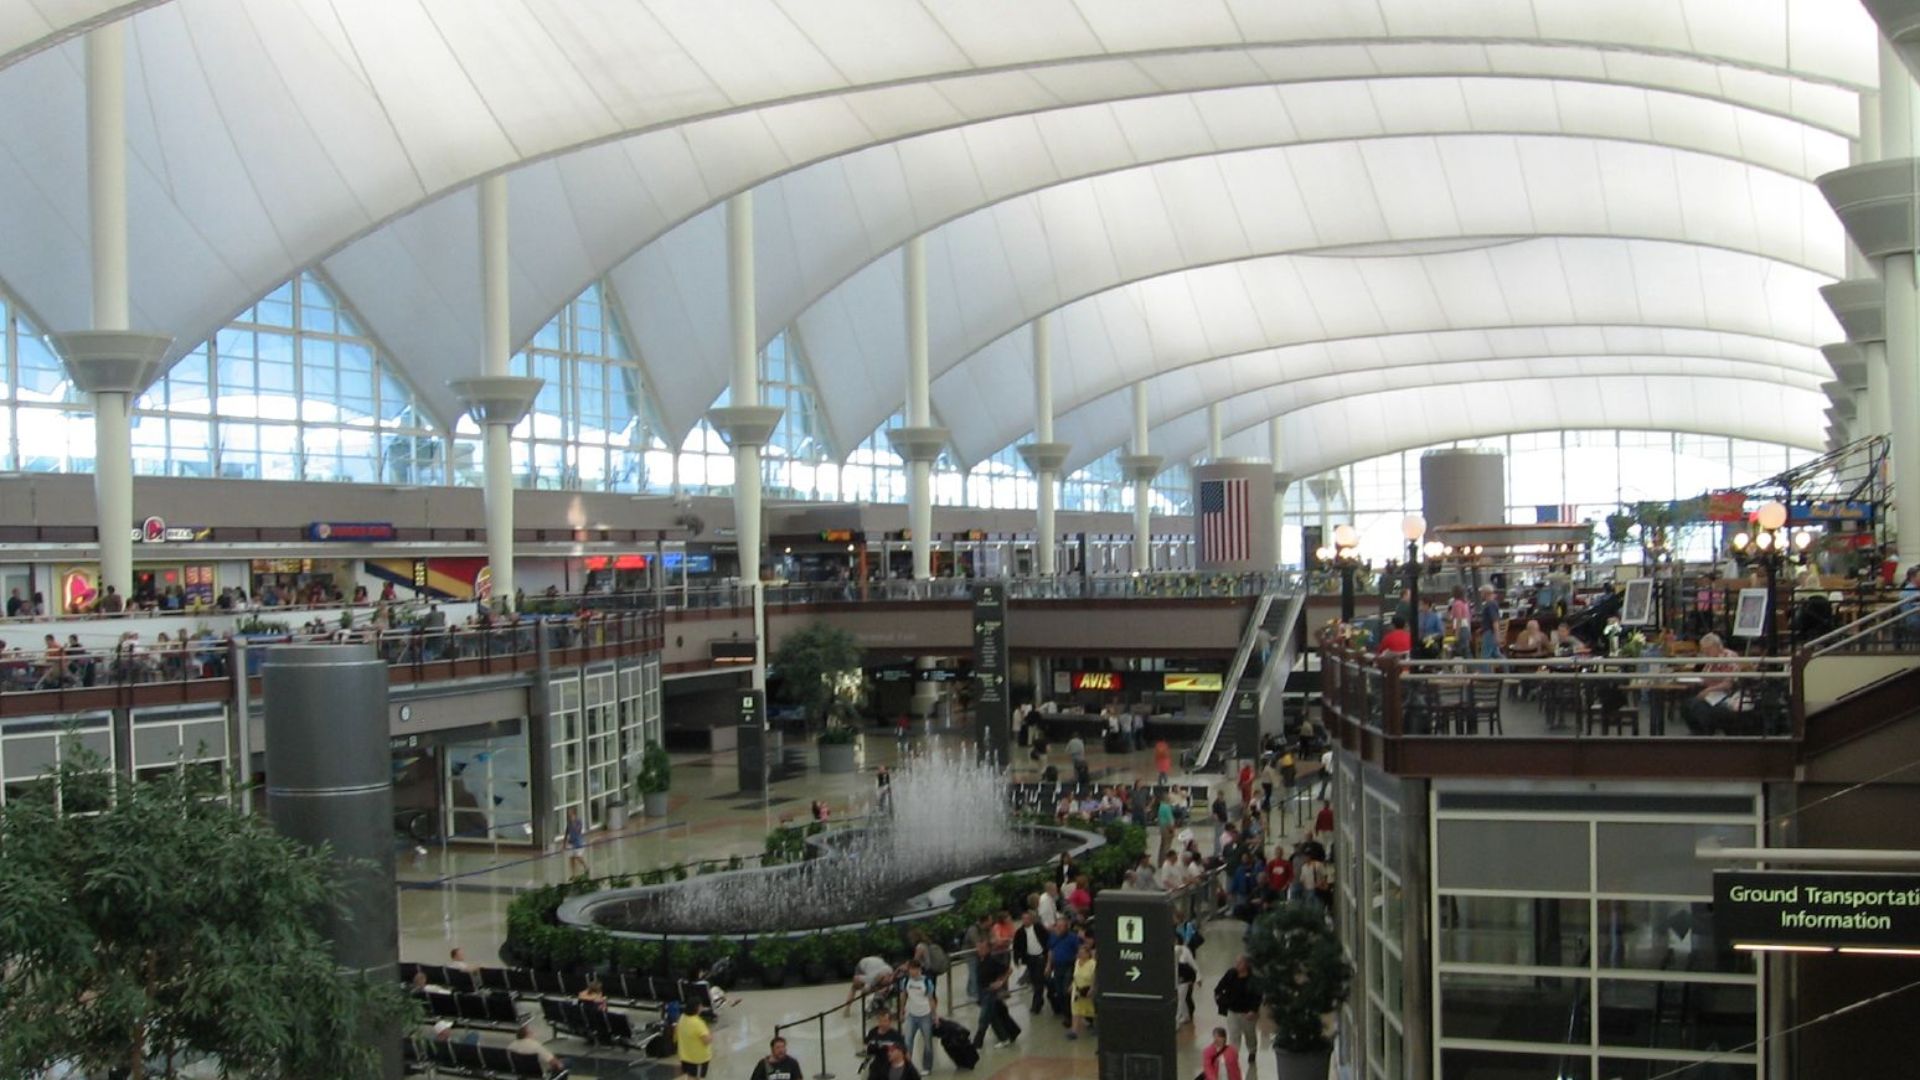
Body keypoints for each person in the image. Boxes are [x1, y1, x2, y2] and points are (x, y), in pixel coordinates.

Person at [969, 938, 1022, 1050]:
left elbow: (1009, 970)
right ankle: (1009, 1034)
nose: (979, 950)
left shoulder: (992, 961)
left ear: (988, 949)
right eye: (978, 947)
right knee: (993, 1016)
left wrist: (1001, 982)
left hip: (990, 993)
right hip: (983, 993)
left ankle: (979, 1042)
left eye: (982, 948)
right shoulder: (980, 961)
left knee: (985, 1018)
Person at [1214, 956, 1262, 1076]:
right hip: (1233, 1011)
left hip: (1247, 1013)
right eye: (1236, 962)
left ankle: (1252, 1051)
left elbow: (1258, 996)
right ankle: (1233, 1056)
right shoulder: (1231, 974)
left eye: (1240, 962)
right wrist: (1220, 999)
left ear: (1246, 964)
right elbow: (1220, 987)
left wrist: (1253, 1010)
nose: (1237, 964)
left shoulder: (1253, 979)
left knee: (1249, 1034)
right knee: (1234, 1035)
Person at [898, 958, 938, 1073]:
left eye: (915, 969)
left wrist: (934, 1015)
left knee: (927, 1043)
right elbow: (903, 996)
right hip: (911, 1015)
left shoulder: (926, 982)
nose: (912, 972)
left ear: (919, 969)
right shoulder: (906, 981)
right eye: (910, 969)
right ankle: (907, 1067)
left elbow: (931, 999)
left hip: (925, 1015)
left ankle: (927, 1067)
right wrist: (901, 1011)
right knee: (907, 1042)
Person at [1044, 917, 1081, 1020]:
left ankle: (1069, 1015)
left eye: (1061, 926)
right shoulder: (1053, 937)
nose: (1059, 928)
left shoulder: (1073, 938)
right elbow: (1051, 951)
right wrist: (1048, 965)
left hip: (1069, 966)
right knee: (1058, 990)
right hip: (1057, 966)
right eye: (1058, 926)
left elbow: (1078, 951)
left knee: (1066, 991)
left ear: (1066, 927)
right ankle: (1064, 1011)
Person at [1015, 911, 1050, 1014]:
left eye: (1027, 918)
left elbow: (1047, 939)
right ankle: (1040, 1000)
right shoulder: (1020, 932)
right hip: (1030, 958)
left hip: (1041, 957)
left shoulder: (1039, 928)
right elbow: (1016, 946)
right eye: (1024, 919)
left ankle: (1036, 1005)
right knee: (1034, 980)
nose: (1025, 921)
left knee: (1039, 980)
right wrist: (1017, 959)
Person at [863, 1012, 909, 1080]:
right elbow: (866, 1045)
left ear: (890, 1022)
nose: (882, 1024)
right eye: (880, 1021)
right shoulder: (873, 1032)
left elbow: (905, 1052)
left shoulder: (895, 1035)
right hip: (876, 1066)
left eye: (885, 1021)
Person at [676, 997, 714, 1077]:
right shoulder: (697, 1023)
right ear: (697, 1007)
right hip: (698, 1059)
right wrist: (711, 1036)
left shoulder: (682, 1017)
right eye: (701, 1006)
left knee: (689, 1076)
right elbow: (706, 1040)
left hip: (684, 1056)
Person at [1067, 941, 1097, 1039]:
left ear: (1088, 954)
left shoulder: (1093, 964)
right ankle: (1074, 1031)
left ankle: (1097, 1027)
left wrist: (1092, 988)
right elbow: (1075, 975)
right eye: (1079, 952)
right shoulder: (1077, 962)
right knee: (1076, 1010)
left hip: (1087, 989)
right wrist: (1072, 985)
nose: (1080, 954)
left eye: (1083, 953)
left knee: (1092, 1010)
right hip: (1077, 989)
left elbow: (1095, 977)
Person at [1477, 585, 1504, 659]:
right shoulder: (1492, 603)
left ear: (1486, 593)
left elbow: (1495, 621)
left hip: (1489, 633)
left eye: (1482, 592)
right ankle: (1509, 665)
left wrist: (1497, 635)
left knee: (1485, 656)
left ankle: (1485, 669)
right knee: (1496, 654)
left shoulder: (1490, 604)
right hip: (1491, 632)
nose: (1481, 594)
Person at [564, 807, 588, 877]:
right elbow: (566, 833)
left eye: (570, 813)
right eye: (568, 814)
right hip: (571, 842)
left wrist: (573, 823)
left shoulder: (578, 821)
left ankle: (586, 866)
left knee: (578, 856)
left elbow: (578, 831)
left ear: (574, 814)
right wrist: (564, 844)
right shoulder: (569, 823)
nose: (569, 815)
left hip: (578, 842)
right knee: (571, 858)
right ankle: (573, 873)